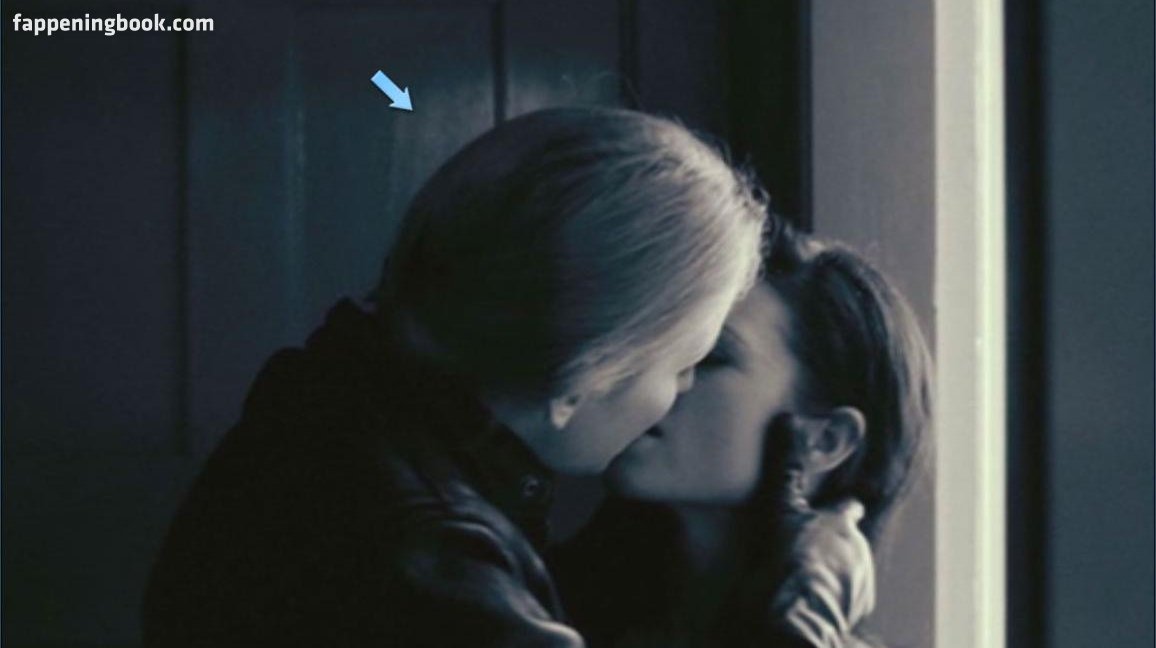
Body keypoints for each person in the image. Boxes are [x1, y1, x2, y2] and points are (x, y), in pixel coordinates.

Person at [143, 107, 780, 647]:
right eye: (683, 364)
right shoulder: (439, 567)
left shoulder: (324, 407)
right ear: (583, 376)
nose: (684, 391)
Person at [550, 227, 934, 648]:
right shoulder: (536, 601)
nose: (653, 377)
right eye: (661, 346)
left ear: (826, 441)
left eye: (710, 356)